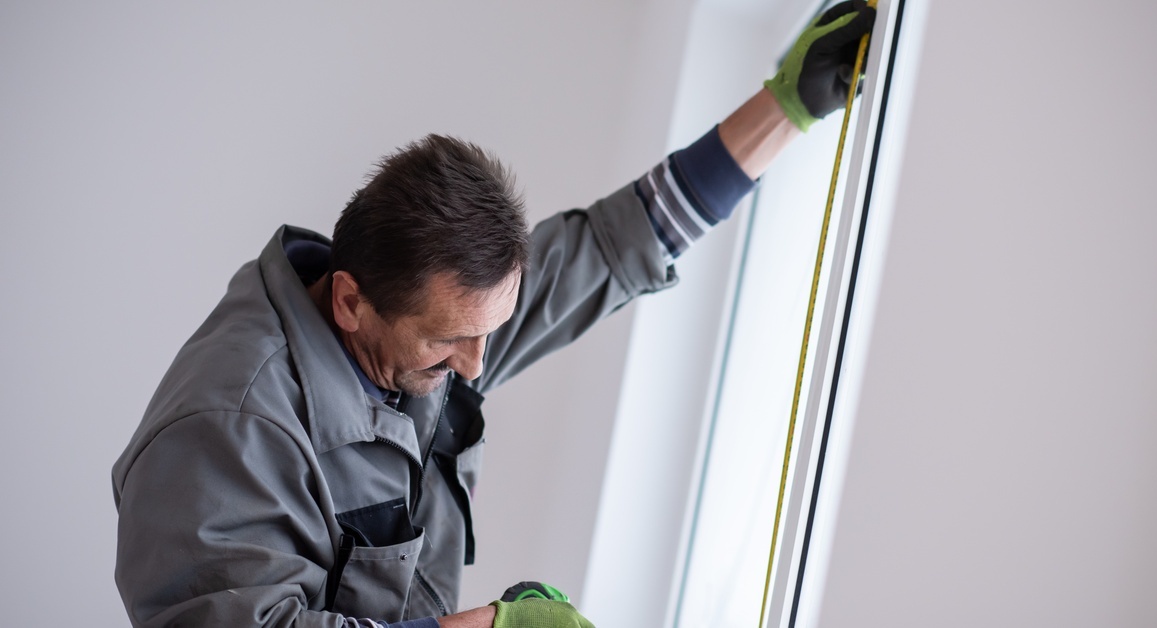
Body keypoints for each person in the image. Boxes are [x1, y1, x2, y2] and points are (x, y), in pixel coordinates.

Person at [110, 3, 875, 627]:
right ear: (349, 302)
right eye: (450, 342)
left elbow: (610, 249)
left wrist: (786, 107)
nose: (475, 365)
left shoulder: (431, 315)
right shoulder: (226, 431)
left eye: (489, 330)